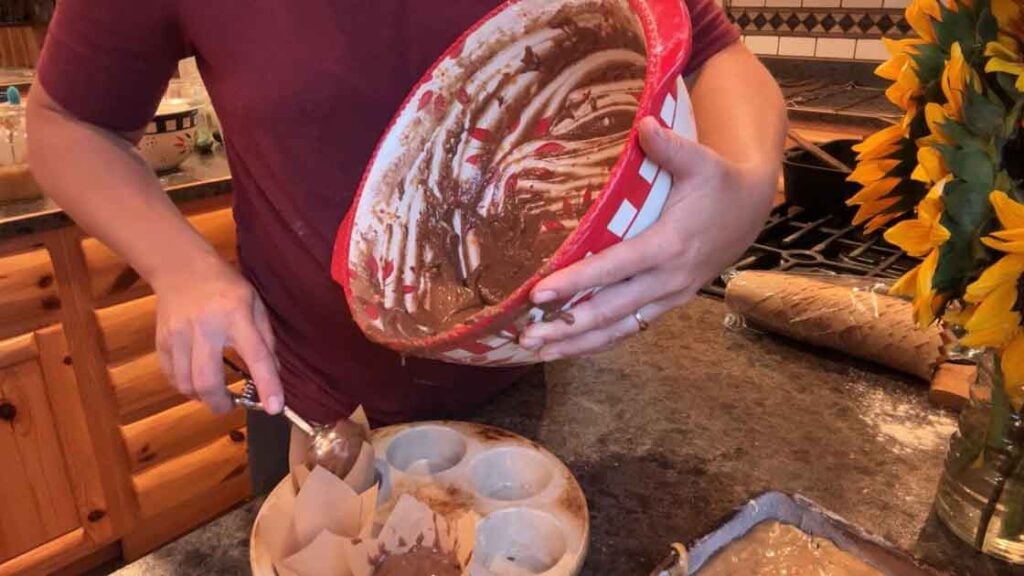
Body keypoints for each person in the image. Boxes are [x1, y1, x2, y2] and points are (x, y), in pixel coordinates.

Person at [28, 0, 785, 492]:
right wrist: (183, 268)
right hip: (315, 411)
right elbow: (66, 121)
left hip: (532, 372)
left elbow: (711, 51)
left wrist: (744, 193)